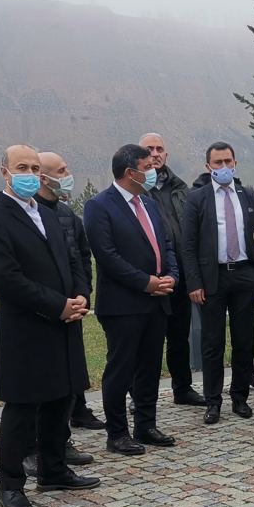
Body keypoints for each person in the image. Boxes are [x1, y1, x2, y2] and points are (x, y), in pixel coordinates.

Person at [0, 145, 99, 507]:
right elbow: (8, 279)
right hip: (27, 328)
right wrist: (57, 305)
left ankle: (54, 469)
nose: (29, 174)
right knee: (23, 408)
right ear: (4, 172)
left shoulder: (48, 213)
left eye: (33, 167)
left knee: (61, 399)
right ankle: (11, 483)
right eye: (21, 167)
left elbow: (73, 260)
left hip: (64, 324)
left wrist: (80, 296)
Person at [84, 144, 181, 455]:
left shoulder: (148, 203)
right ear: (130, 172)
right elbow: (107, 255)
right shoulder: (99, 205)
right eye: (147, 167)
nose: (153, 171)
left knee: (150, 367)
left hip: (157, 301)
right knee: (121, 369)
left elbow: (166, 243)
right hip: (123, 305)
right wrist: (145, 282)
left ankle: (146, 424)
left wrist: (171, 276)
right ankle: (117, 434)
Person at [182, 142, 254, 424]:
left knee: (244, 340)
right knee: (212, 343)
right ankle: (213, 401)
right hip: (212, 278)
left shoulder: (247, 194)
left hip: (244, 275)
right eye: (218, 163)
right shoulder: (197, 198)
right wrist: (194, 283)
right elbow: (188, 245)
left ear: (235, 163)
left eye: (228, 161)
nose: (224, 167)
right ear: (208, 167)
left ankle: (240, 397)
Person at [38, 152, 105, 444]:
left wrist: (83, 294)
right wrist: (57, 303)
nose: (68, 175)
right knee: (48, 377)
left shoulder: (67, 215)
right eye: (62, 170)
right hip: (47, 308)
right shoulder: (32, 214)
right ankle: (45, 442)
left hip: (74, 304)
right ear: (43, 177)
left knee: (72, 368)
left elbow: (81, 256)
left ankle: (73, 417)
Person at [140, 132, 206, 407]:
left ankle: (183, 388)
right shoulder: (136, 190)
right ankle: (141, 393)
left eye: (159, 149)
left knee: (179, 337)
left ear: (166, 154)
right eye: (149, 149)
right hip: (149, 279)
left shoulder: (181, 190)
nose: (155, 154)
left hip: (179, 275)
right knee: (148, 341)